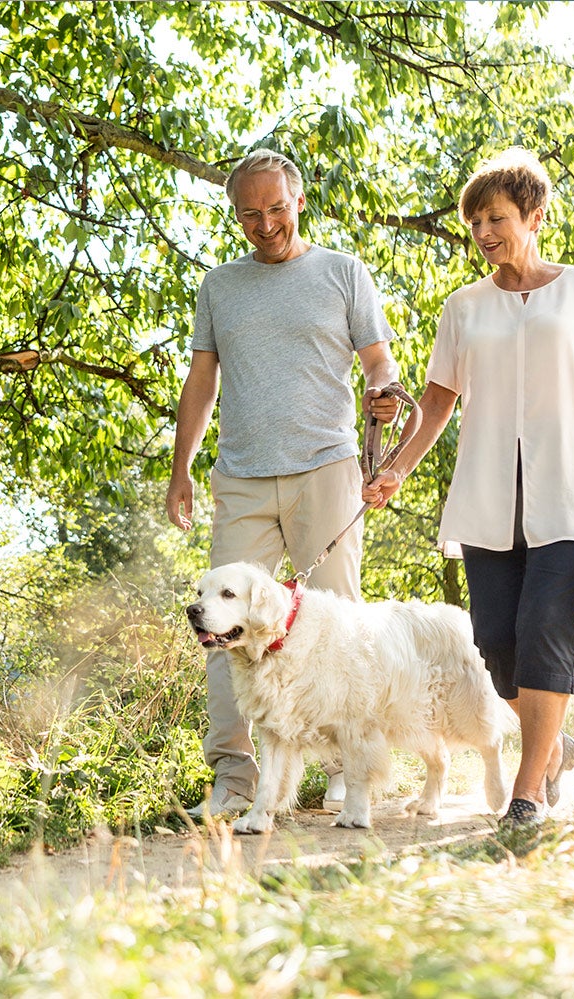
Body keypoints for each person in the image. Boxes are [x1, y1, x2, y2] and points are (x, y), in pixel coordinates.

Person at [362, 148, 574, 828]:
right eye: (474, 222)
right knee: (496, 640)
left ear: (532, 216)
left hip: (573, 492)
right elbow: (437, 401)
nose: (484, 233)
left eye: (495, 217)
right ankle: (551, 743)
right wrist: (395, 468)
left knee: (542, 627)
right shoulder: (462, 307)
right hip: (488, 495)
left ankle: (525, 793)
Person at [168, 148, 401, 819]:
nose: (264, 223)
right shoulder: (219, 285)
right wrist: (181, 466)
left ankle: (340, 768)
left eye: (275, 207)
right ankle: (234, 779)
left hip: (325, 468)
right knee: (221, 628)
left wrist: (383, 391)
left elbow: (378, 359)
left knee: (336, 630)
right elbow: (202, 380)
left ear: (298, 201)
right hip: (240, 476)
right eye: (249, 212)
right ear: (234, 214)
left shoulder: (340, 272)